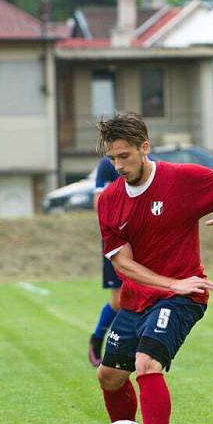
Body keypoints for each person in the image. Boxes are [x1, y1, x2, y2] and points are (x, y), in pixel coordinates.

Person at [81, 112, 213, 424]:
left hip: (184, 296)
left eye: (124, 156)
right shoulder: (110, 200)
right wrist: (168, 283)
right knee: (110, 376)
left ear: (145, 148)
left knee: (146, 363)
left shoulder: (181, 179)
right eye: (112, 159)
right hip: (140, 297)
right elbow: (123, 264)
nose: (118, 166)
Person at [88, 156, 122, 367]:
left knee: (147, 296)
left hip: (144, 240)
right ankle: (97, 338)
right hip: (116, 239)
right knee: (119, 301)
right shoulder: (109, 164)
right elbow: (99, 203)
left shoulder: (152, 164)